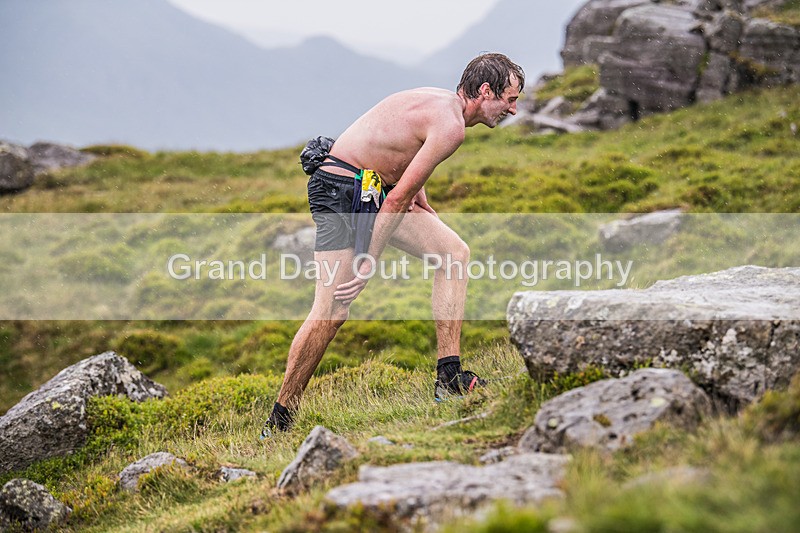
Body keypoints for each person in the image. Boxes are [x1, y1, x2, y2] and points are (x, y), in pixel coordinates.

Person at [261, 53, 524, 437]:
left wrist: (424, 202)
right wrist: (369, 261)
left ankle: (448, 377)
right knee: (332, 309)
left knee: (453, 254)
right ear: (486, 91)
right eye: (510, 99)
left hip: (367, 185)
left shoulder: (440, 102)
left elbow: (405, 161)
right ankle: (280, 420)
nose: (513, 111)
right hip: (341, 189)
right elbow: (396, 199)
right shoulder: (452, 126)